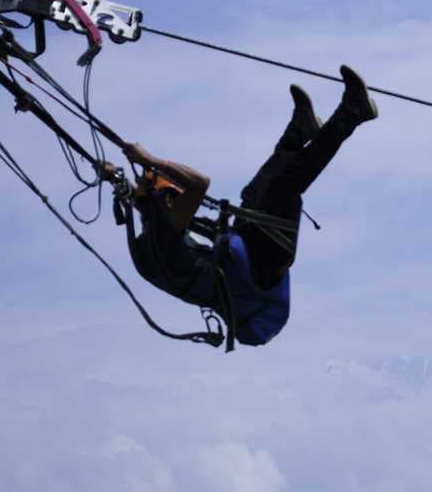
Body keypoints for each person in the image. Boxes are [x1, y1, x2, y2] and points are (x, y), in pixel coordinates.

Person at [108, 65, 379, 347]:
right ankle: (354, 112)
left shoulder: (149, 242)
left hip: (247, 260)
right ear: (166, 202)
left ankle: (300, 130)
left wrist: (113, 175)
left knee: (254, 194)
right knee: (283, 187)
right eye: (175, 196)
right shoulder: (164, 233)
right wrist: (150, 160)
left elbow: (142, 205)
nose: (183, 205)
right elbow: (199, 183)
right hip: (261, 265)